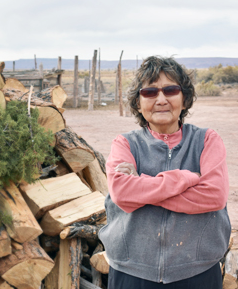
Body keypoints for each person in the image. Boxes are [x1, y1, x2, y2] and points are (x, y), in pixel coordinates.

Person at [98, 56, 231, 289]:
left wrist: (141, 186)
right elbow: (122, 193)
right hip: (132, 272)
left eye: (170, 90)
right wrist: (187, 178)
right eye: (150, 92)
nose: (161, 99)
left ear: (184, 99)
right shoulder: (125, 144)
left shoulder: (207, 140)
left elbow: (214, 196)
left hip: (197, 271)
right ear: (138, 103)